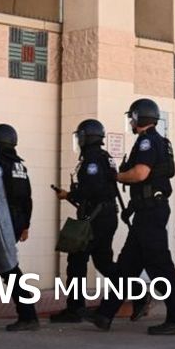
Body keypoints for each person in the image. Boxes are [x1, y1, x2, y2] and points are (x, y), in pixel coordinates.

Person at [89, 99, 175, 335]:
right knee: (126, 266)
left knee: (161, 267)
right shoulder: (160, 141)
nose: (131, 121)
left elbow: (141, 173)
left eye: (133, 117)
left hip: (150, 214)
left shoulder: (147, 140)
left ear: (139, 118)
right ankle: (105, 315)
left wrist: (118, 177)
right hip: (146, 211)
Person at [51, 119, 121, 322]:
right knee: (104, 262)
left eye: (80, 136)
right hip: (106, 216)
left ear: (86, 137)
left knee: (76, 261)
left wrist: (70, 195)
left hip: (96, 218)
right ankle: (138, 292)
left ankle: (75, 309)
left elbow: (92, 190)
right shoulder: (104, 157)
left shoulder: (92, 160)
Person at [0, 124, 39, 331]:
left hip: (0, 219)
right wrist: (25, 225)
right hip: (16, 219)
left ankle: (28, 314)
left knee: (8, 268)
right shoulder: (20, 166)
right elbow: (28, 198)